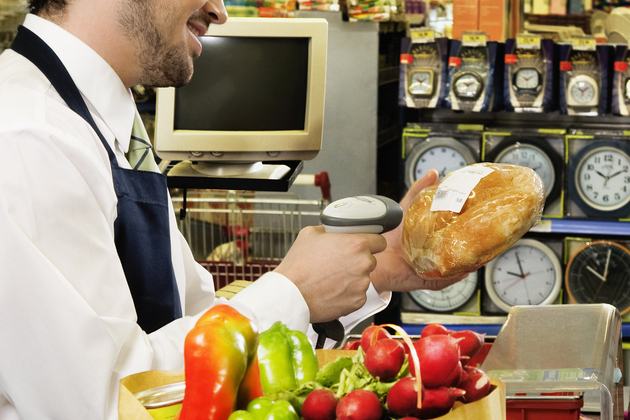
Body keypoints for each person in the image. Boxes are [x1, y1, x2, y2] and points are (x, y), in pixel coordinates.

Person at [0, 0, 460, 418]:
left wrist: (365, 271)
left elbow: (193, 319)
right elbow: (104, 401)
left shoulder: (99, 119)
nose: (219, 11)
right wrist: (293, 290)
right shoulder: (28, 135)